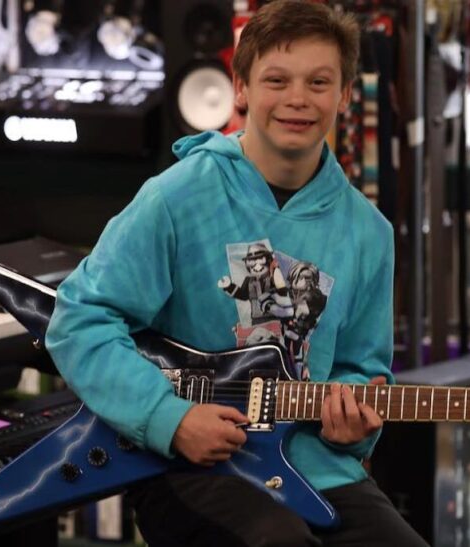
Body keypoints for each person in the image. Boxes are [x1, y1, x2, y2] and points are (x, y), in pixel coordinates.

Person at [45, 1, 427, 545]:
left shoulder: (370, 233)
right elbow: (79, 320)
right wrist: (169, 418)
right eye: (277, 80)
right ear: (241, 87)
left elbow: (357, 370)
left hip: (314, 468)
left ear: (345, 95)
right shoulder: (175, 197)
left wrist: (353, 424)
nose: (298, 99)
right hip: (186, 463)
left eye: (319, 82)